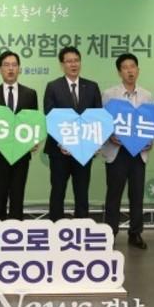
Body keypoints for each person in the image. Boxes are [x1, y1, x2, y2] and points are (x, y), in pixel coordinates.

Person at [43, 46, 102, 221]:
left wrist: (95, 142)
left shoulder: (92, 87)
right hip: (59, 150)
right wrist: (62, 142)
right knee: (58, 190)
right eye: (69, 61)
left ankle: (81, 227)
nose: (73, 64)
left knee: (82, 191)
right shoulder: (53, 87)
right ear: (62, 65)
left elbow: (97, 117)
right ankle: (56, 226)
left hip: (84, 150)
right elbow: (50, 116)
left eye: (76, 60)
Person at [101, 53, 153, 248]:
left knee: (137, 194)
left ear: (138, 70)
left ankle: (135, 233)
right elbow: (102, 121)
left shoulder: (147, 95)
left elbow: (151, 122)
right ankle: (110, 233)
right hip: (117, 151)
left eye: (133, 67)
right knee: (114, 194)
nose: (130, 71)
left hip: (138, 152)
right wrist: (109, 136)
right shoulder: (109, 94)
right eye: (125, 67)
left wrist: (149, 140)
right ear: (119, 72)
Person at [0, 51, 39, 220]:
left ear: (19, 68)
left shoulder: (30, 94)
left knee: (17, 197)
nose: (11, 69)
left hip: (21, 155)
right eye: (6, 65)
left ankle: (16, 231)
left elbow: (33, 121)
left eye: (14, 65)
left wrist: (34, 140)